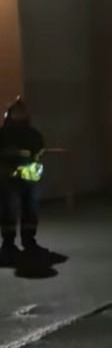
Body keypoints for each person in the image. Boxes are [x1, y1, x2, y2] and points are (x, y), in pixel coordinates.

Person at [0, 97, 46, 263]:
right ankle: (8, 245)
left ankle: (29, 242)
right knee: (9, 212)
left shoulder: (33, 134)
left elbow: (39, 151)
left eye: (22, 110)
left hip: (28, 180)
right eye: (17, 111)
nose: (20, 113)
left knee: (30, 211)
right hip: (7, 180)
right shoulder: (3, 134)